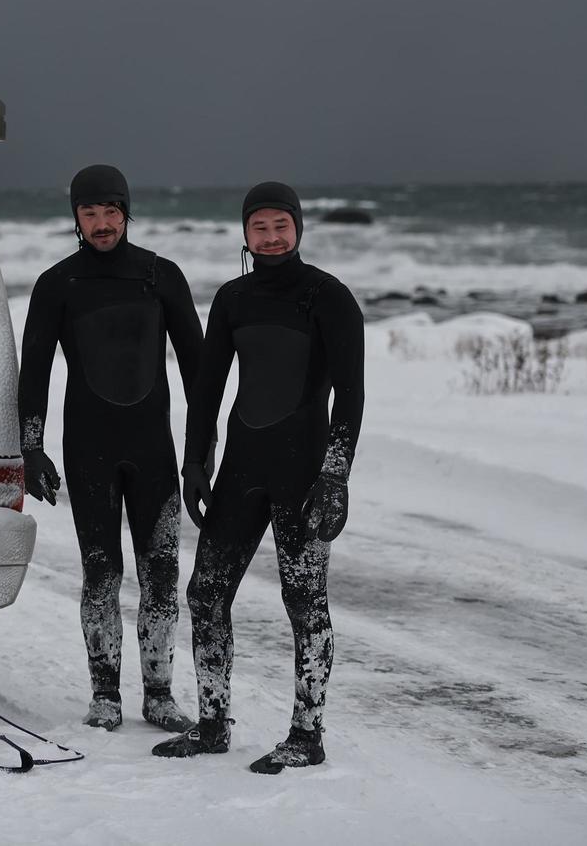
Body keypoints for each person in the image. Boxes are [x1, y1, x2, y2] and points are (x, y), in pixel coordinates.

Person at [152, 181, 363, 774]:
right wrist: (197, 461)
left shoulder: (329, 297)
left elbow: (351, 398)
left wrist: (335, 475)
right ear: (245, 233)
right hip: (243, 469)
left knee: (305, 602)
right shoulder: (232, 299)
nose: (271, 238)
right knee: (206, 593)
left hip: (305, 473)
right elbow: (208, 388)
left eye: (281, 226)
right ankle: (213, 722)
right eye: (259, 227)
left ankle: (307, 733)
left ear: (298, 228)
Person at [17, 164, 204, 733]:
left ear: (127, 212)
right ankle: (104, 693)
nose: (102, 224)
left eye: (111, 212)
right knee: (100, 573)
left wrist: (198, 455)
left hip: (155, 450)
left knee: (162, 573)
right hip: (89, 448)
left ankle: (160, 693)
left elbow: (201, 374)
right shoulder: (57, 284)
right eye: (90, 213)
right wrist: (32, 448)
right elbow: (35, 373)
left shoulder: (161, 276)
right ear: (75, 217)